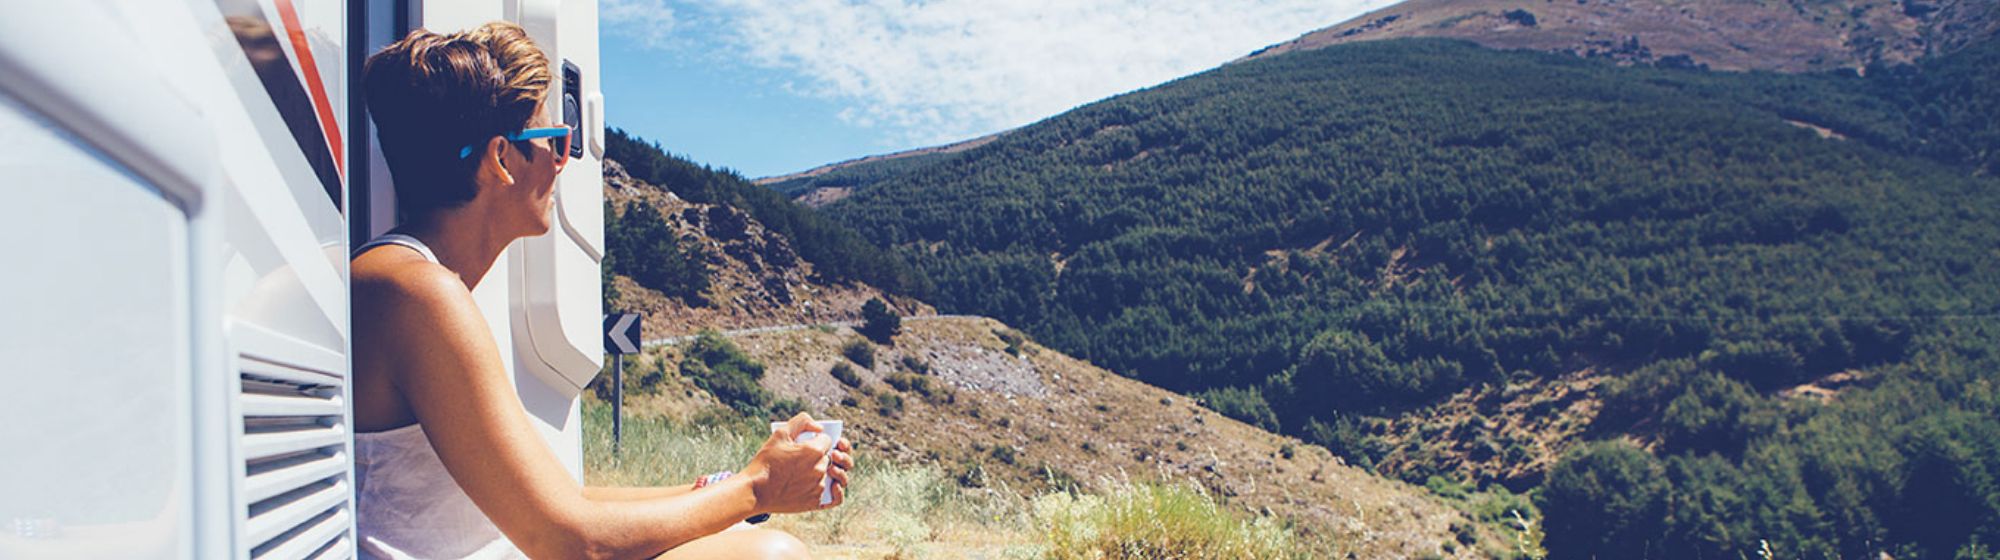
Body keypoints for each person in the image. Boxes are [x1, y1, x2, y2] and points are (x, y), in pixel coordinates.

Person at [350, 22, 852, 560]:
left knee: (749, 538)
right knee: (770, 556)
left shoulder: (415, 283)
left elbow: (565, 503)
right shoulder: (420, 294)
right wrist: (756, 487)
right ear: (501, 159)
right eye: (554, 142)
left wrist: (734, 488)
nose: (562, 162)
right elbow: (573, 542)